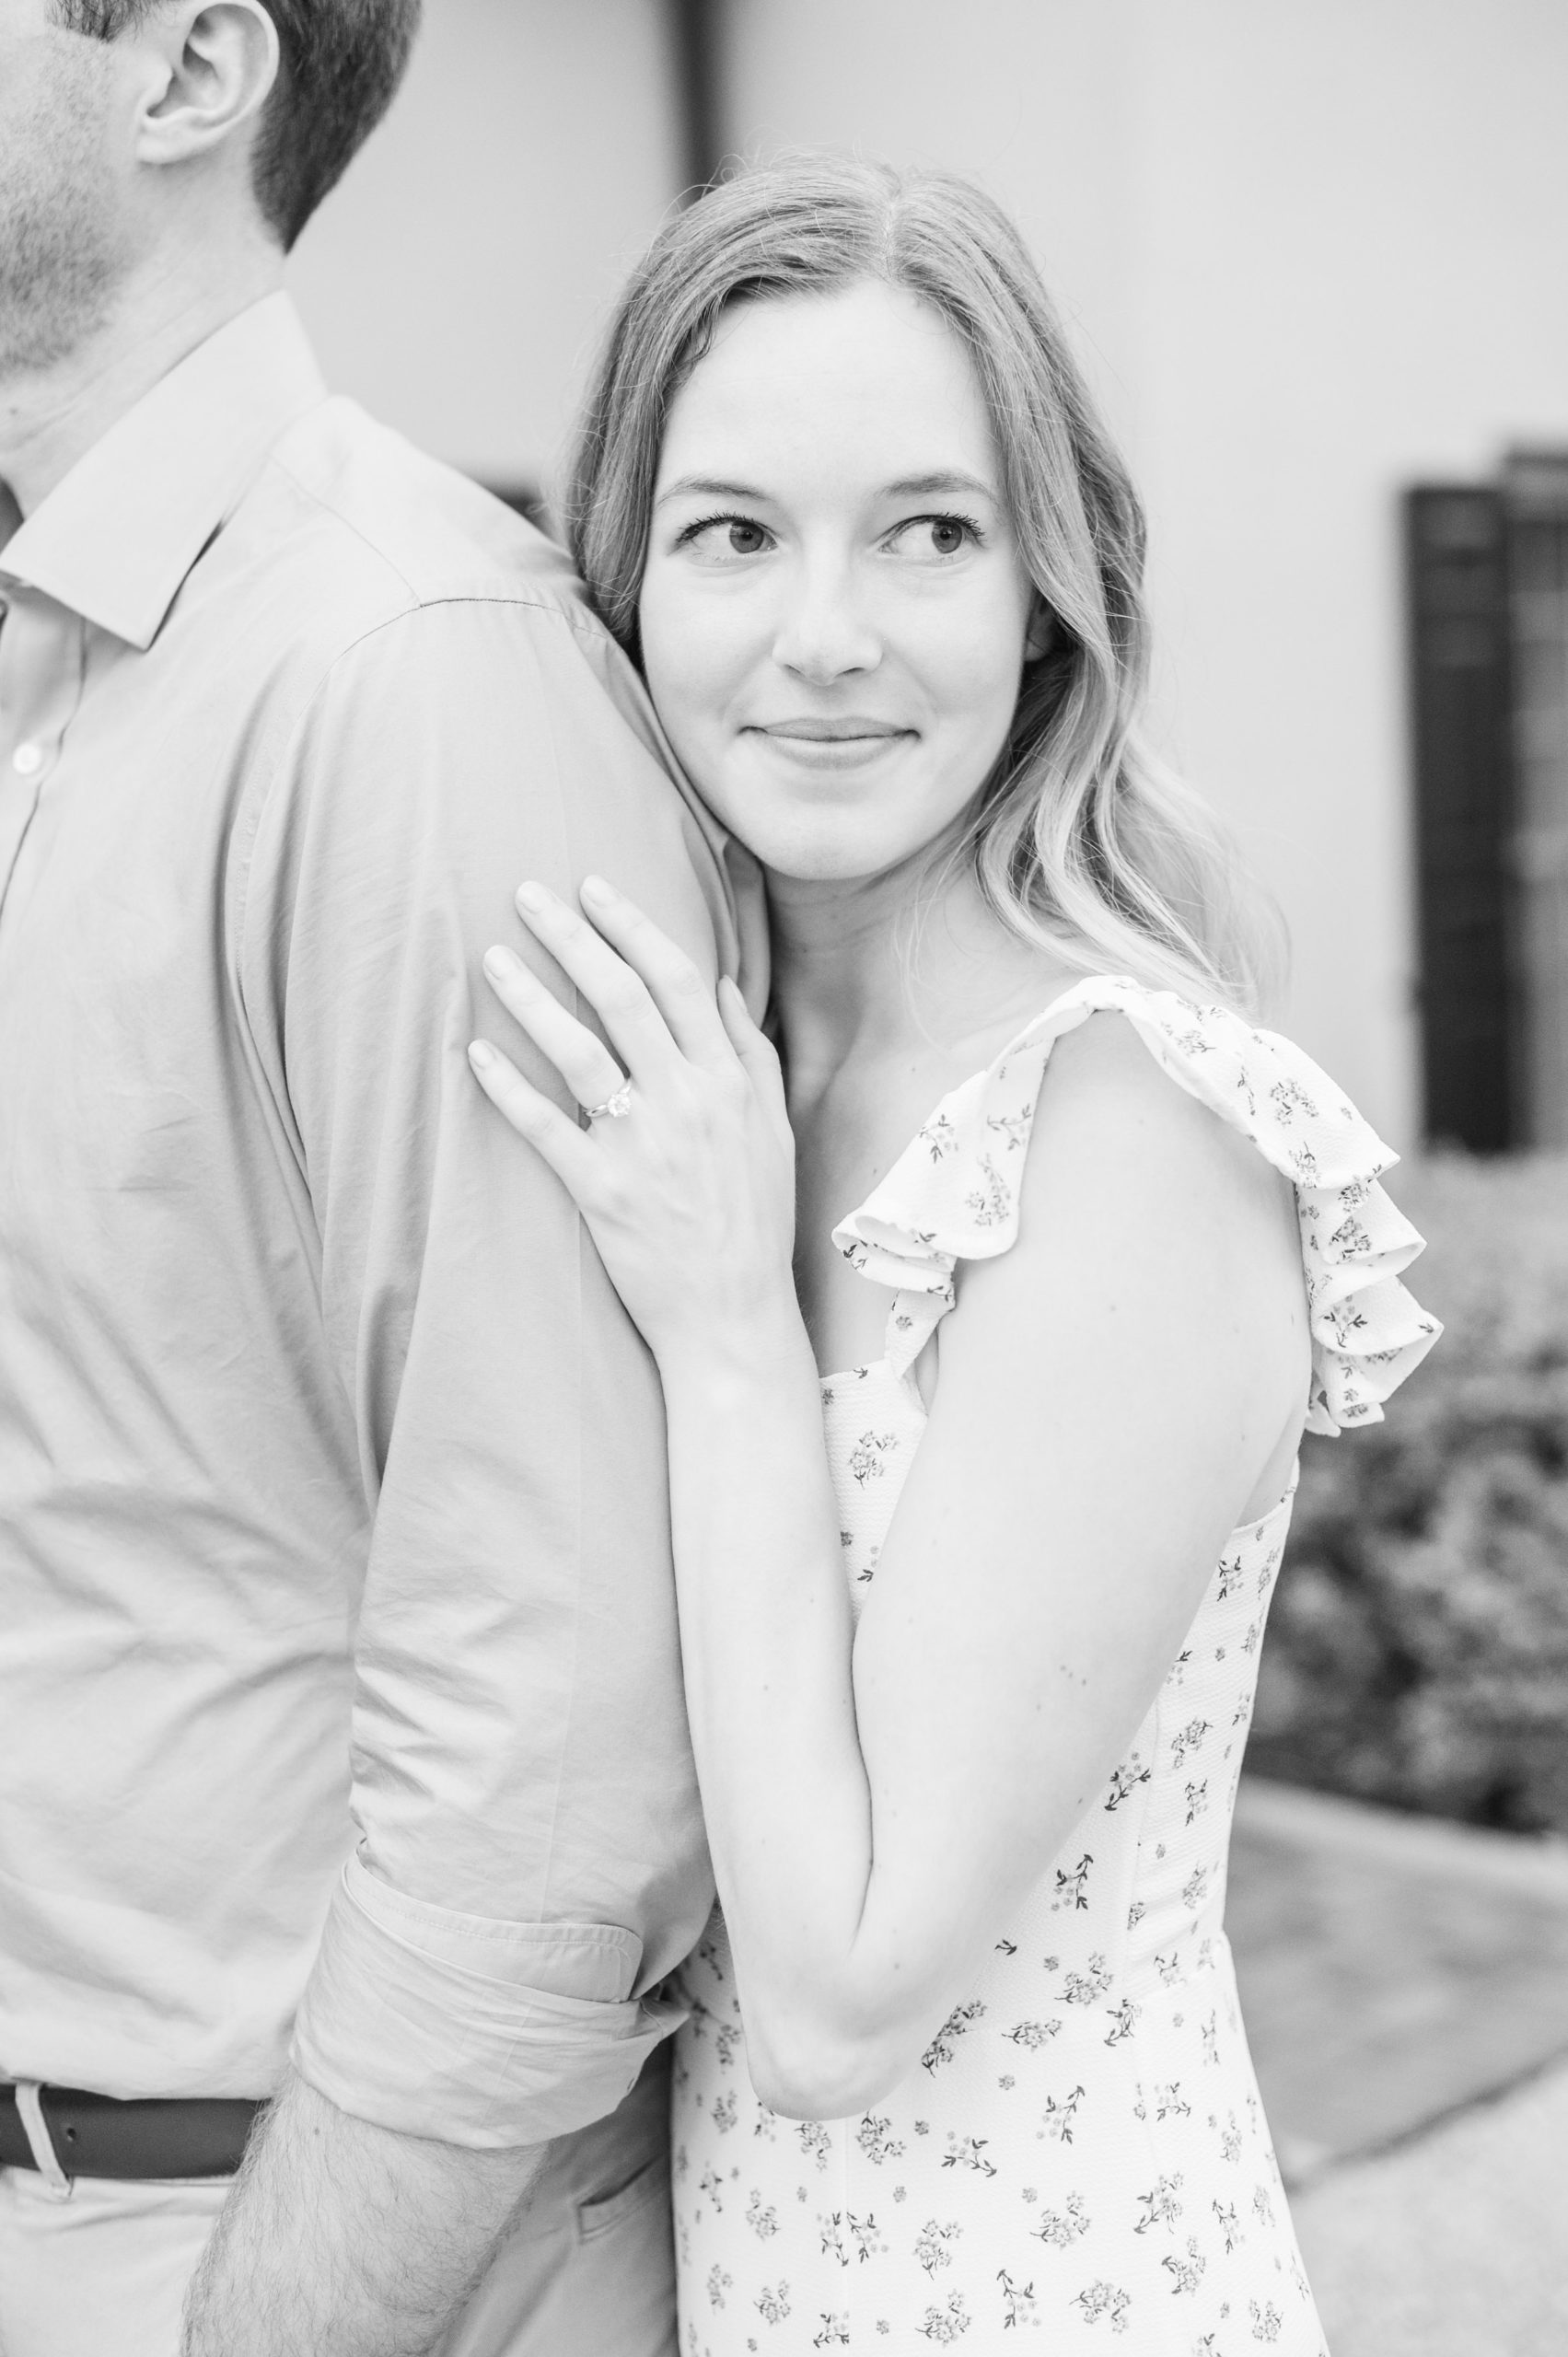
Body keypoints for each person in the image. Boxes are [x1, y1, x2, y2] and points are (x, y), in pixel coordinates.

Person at [469, 156, 1442, 2353]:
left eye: (929, 528)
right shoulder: (697, 1081)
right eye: (735, 532)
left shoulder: (1125, 1129)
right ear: (622, 579)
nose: (826, 633)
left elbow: (838, 1996)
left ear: (1047, 589)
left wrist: (726, 1323)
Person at [0, 6, 743, 2353]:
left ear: (190, 63)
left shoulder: (414, 685)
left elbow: (556, 1727)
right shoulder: (52, 672)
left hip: (256, 2251)